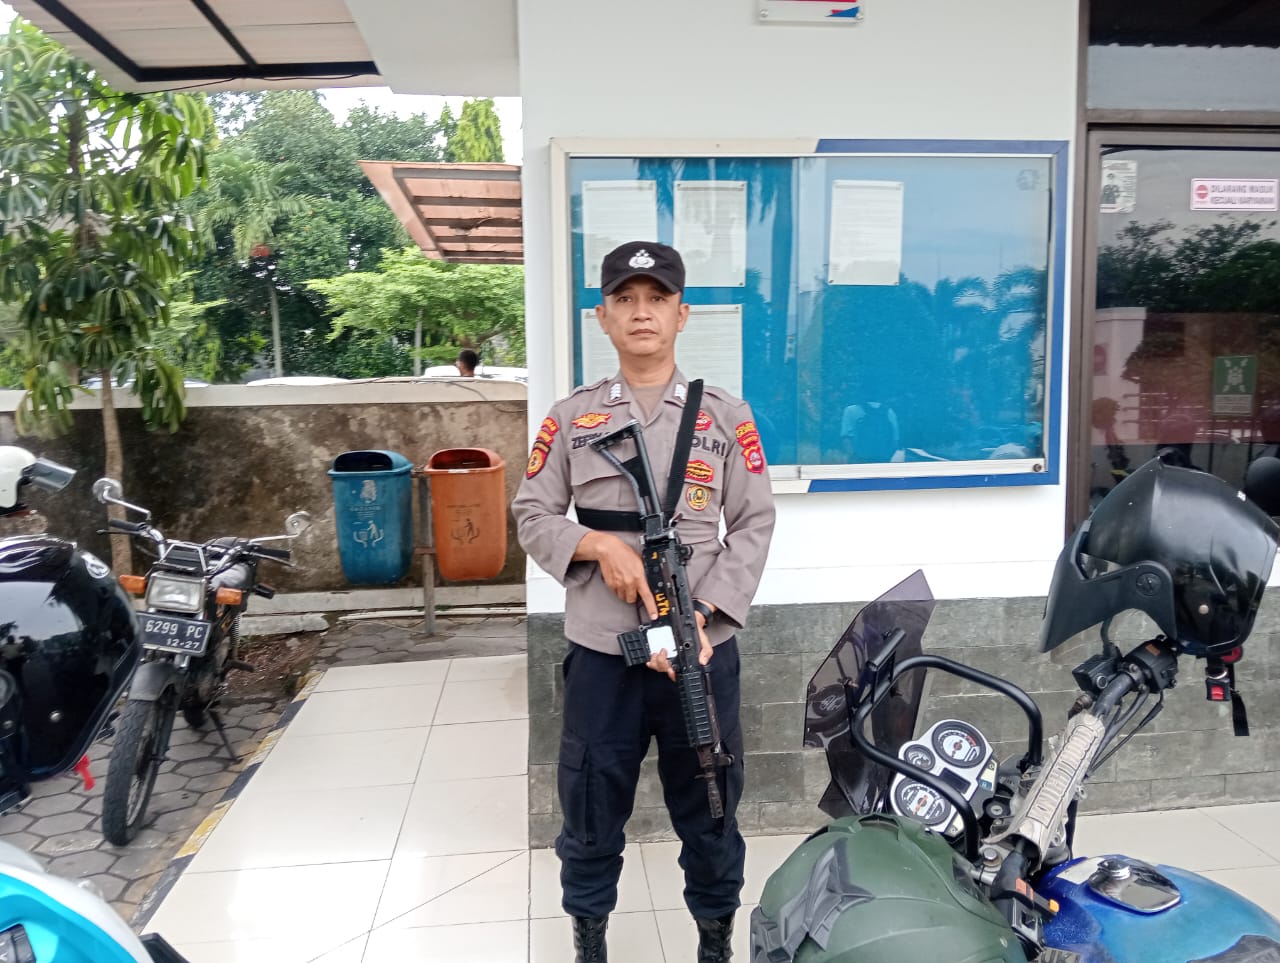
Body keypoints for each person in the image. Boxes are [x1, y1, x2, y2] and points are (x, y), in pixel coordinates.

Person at [513, 241, 776, 962]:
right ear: (602, 317)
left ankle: (715, 943)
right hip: (604, 652)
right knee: (590, 808)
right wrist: (597, 545)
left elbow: (754, 522)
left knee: (711, 808)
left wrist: (707, 613)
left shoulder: (725, 417)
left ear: (681, 315)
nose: (641, 312)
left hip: (701, 650)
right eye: (624, 299)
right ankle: (590, 941)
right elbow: (531, 513)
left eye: (657, 299)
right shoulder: (572, 418)